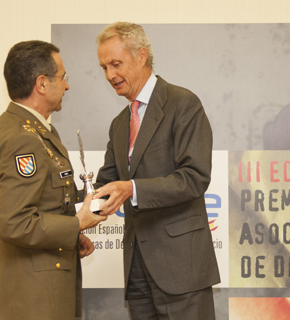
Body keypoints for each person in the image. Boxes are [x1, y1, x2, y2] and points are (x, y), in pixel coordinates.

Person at [93, 22, 221, 319]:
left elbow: (194, 177)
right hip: (136, 270)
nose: (110, 75)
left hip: (182, 271)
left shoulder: (183, 104)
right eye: (103, 68)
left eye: (115, 64)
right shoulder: (118, 123)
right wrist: (73, 222)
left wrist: (132, 189)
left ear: (141, 56)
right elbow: (105, 186)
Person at [0, 40, 107, 320]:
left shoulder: (26, 129)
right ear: (42, 83)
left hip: (38, 288)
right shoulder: (23, 139)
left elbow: (43, 206)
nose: (67, 86)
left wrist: (71, 235)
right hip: (34, 297)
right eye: (63, 77)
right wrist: (77, 223)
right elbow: (15, 223)